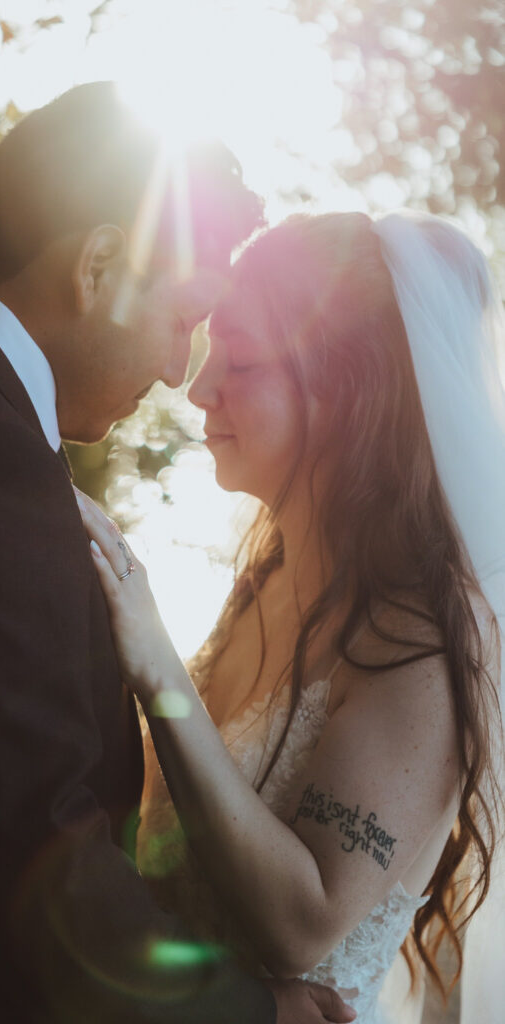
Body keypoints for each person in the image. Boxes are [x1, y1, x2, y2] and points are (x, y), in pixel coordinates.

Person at [0, 83, 358, 1024]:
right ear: (99, 264)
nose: (172, 367)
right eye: (184, 316)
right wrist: (254, 1013)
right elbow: (22, 845)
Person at [76, 210, 505, 1024]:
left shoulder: (428, 639)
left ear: (349, 390)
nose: (197, 385)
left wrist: (155, 661)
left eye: (239, 358)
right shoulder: (265, 580)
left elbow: (300, 928)